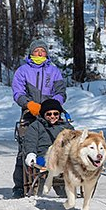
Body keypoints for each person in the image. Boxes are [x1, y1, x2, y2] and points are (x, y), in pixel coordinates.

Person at [11, 39, 67, 198]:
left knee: (59, 146)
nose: (40, 53)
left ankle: (61, 183)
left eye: (43, 51)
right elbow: (18, 92)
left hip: (51, 114)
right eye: (37, 51)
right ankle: (20, 186)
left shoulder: (54, 71)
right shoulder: (22, 71)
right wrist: (29, 104)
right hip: (30, 114)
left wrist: (53, 105)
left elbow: (61, 92)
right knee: (26, 149)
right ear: (31, 53)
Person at [23, 99, 74, 197]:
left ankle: (67, 192)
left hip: (63, 155)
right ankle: (38, 192)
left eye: (56, 114)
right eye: (49, 114)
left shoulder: (67, 127)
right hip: (43, 155)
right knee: (44, 166)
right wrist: (31, 153)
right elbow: (30, 142)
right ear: (43, 114)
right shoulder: (36, 126)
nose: (52, 116)